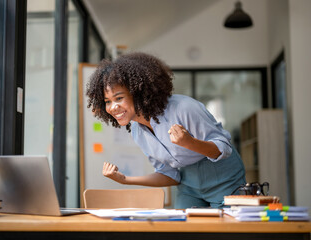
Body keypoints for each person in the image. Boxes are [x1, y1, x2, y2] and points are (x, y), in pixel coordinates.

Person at [86, 52, 246, 208]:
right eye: (107, 101)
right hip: (189, 185)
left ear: (138, 92)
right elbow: (170, 176)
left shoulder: (183, 108)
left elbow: (223, 149)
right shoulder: (137, 130)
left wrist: (190, 143)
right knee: (184, 231)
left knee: (226, 232)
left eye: (119, 98)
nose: (113, 107)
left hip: (225, 178)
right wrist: (125, 179)